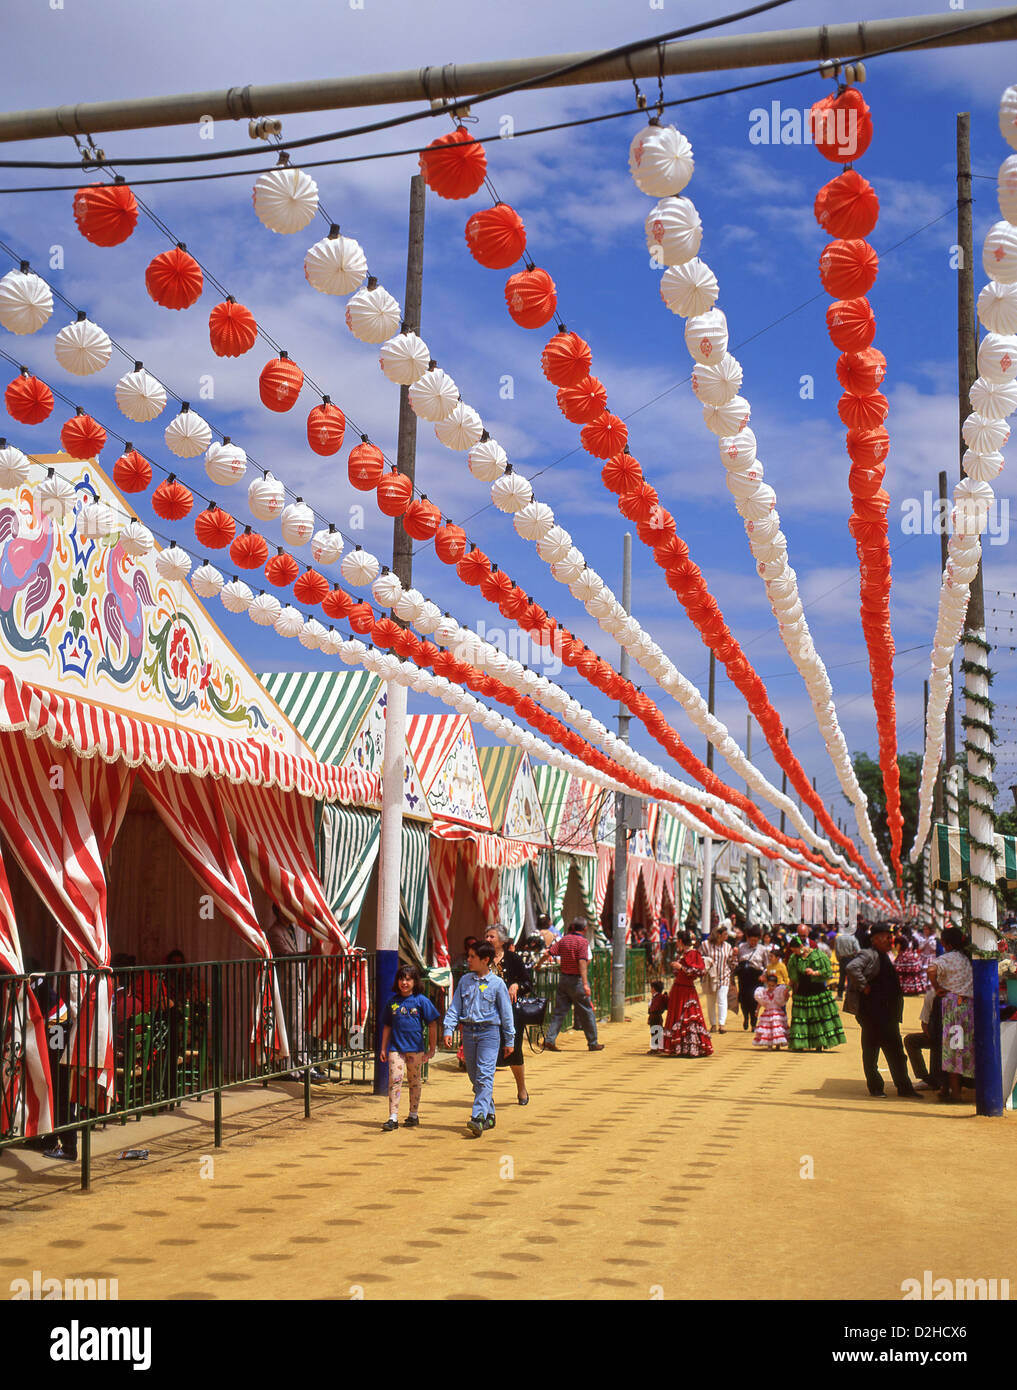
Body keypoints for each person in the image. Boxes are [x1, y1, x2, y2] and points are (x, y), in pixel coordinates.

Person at [443, 942, 514, 1137]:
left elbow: (506, 1014)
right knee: (474, 1076)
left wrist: (509, 1040)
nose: (468, 960)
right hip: (468, 1033)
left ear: (485, 960)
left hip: (489, 1033)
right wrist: (448, 1028)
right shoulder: (465, 980)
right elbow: (455, 1007)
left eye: (473, 956)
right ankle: (489, 1113)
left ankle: (478, 1117)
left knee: (484, 1075)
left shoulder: (498, 984)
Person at [844, 924, 917, 1098]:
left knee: (897, 1053)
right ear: (874, 939)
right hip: (872, 1013)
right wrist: (864, 986)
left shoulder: (886, 955)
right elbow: (852, 967)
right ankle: (876, 1088)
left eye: (889, 936)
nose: (889, 939)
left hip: (888, 1013)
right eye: (884, 936)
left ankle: (904, 1088)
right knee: (872, 1051)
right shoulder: (868, 954)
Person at [267, 908, 328, 1083]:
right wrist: (309, 954)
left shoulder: (289, 930)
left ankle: (294, 1067)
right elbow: (285, 955)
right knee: (293, 1026)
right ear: (279, 912)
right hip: (287, 985)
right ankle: (302, 1066)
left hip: (296, 983)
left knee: (297, 1026)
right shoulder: (275, 932)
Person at [378, 965, 439, 1132]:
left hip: (415, 1049)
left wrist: (432, 1048)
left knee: (414, 1081)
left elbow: (432, 1023)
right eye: (401, 979)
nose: (404, 982)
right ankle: (393, 1117)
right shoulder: (392, 1002)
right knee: (395, 1080)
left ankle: (413, 1114)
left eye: (408, 979)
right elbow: (387, 1026)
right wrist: (383, 1048)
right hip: (396, 1048)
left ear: (414, 981)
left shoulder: (421, 1001)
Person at [540, 919, 604, 1052]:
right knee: (586, 1012)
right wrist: (585, 984)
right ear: (585, 929)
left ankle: (549, 1039)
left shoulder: (564, 940)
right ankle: (593, 1042)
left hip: (564, 979)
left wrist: (538, 964)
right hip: (577, 981)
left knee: (559, 1012)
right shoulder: (582, 942)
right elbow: (582, 962)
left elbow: (548, 953)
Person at [485, 924, 532, 1104]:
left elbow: (528, 982)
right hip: (486, 1014)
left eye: (492, 937)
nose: (488, 940)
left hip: (511, 1014)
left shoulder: (513, 959)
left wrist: (517, 985)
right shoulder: (482, 958)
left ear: (502, 941)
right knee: (486, 1054)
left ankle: (521, 1089)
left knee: (514, 1051)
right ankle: (485, 1095)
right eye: (486, 936)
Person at [927, 925, 974, 1103]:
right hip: (967, 1007)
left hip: (951, 1008)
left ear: (945, 943)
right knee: (962, 1048)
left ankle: (952, 1091)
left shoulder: (947, 958)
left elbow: (931, 970)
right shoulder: (968, 959)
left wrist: (937, 987)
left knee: (952, 1050)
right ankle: (948, 1088)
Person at [787, 935, 845, 1052]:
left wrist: (815, 972)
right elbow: (793, 976)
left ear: (801, 946)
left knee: (818, 1017)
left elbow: (828, 971)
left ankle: (819, 1043)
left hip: (817, 990)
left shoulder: (818, 955)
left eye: (796, 950)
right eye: (793, 951)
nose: (795, 953)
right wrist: (788, 988)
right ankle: (800, 1043)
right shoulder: (794, 958)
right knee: (802, 1018)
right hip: (803, 990)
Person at [661, 932, 713, 1058]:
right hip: (678, 989)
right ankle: (679, 1047)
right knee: (677, 1017)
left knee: (688, 1017)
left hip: (687, 990)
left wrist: (681, 967)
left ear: (680, 941)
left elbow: (699, 971)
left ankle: (692, 1047)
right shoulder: (683, 954)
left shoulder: (694, 954)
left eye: (677, 941)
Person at [700, 922, 734, 1034]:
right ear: (718, 935)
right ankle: (713, 1024)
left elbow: (731, 961)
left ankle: (722, 1024)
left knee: (722, 999)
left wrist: (734, 959)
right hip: (710, 978)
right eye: (725, 934)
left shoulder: (728, 947)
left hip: (724, 976)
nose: (727, 937)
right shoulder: (705, 945)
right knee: (711, 1001)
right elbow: (699, 957)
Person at [735, 927, 768, 1031]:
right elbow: (736, 961)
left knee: (755, 1000)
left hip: (756, 977)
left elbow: (767, 965)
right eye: (751, 940)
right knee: (743, 1000)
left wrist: (764, 975)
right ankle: (746, 1017)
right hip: (744, 976)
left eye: (755, 940)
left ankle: (754, 1023)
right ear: (747, 938)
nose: (753, 942)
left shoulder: (763, 949)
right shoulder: (741, 947)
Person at [753, 972, 790, 1050]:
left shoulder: (778, 992)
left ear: (776, 985)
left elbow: (785, 998)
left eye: (773, 985)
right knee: (768, 1029)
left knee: (777, 1028)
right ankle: (769, 1044)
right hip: (767, 1012)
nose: (770, 987)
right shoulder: (763, 992)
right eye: (769, 985)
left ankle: (778, 1044)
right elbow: (760, 1002)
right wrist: (757, 1010)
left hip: (777, 1013)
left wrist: (786, 996)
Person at [833, 923, 860, 998]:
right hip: (851, 959)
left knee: (841, 977)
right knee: (850, 978)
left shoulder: (838, 938)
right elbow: (858, 950)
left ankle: (839, 995)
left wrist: (839, 958)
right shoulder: (853, 938)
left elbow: (836, 950)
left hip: (842, 959)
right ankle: (848, 995)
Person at [647, 978, 669, 1054]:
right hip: (653, 1017)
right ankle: (656, 1048)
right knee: (654, 1032)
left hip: (656, 1017)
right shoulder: (656, 997)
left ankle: (657, 1048)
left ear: (653, 989)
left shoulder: (659, 997)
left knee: (656, 1032)